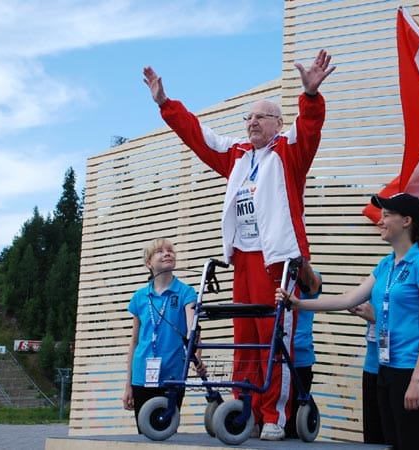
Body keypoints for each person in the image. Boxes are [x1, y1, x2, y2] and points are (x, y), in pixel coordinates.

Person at [143, 49, 335, 441]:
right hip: (243, 260)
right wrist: (165, 104)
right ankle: (242, 407)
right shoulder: (236, 155)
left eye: (260, 117)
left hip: (277, 259)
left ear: (277, 123)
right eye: (247, 118)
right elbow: (199, 136)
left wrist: (310, 95)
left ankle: (274, 415)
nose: (251, 123)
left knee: (273, 337)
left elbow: (310, 127)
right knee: (244, 337)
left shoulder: (288, 151)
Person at [276, 193, 419, 450]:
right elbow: (348, 299)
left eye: (387, 215)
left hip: (412, 371)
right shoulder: (387, 265)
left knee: (415, 443)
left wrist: (417, 380)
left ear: (407, 221)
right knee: (387, 444)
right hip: (386, 369)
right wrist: (299, 303)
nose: (380, 221)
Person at [122, 238, 204, 432]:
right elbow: (134, 341)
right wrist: (128, 385)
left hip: (173, 373)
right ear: (148, 263)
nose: (167, 253)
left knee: (166, 432)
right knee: (145, 432)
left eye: (170, 250)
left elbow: (194, 329)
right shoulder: (140, 296)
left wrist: (197, 357)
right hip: (142, 374)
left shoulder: (186, 292)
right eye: (160, 251)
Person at [285, 271, 322, 439]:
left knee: (292, 428)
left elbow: (313, 286)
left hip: (300, 358)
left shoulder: (311, 276)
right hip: (273, 358)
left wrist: (300, 260)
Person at [348, 301, 385, 445]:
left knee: (395, 436)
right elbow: (348, 299)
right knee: (373, 437)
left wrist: (378, 318)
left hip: (399, 368)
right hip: (372, 366)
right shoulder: (376, 280)